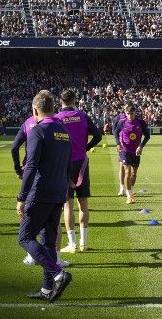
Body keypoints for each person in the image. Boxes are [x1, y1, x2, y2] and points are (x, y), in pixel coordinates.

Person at [17, 90, 73, 303]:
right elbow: (68, 165)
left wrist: (21, 197)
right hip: (59, 192)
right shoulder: (64, 131)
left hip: (41, 192)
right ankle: (47, 289)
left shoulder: (38, 131)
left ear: (35, 110)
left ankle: (58, 273)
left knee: (24, 237)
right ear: (53, 109)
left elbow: (31, 166)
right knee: (48, 241)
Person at [57, 89, 103, 255]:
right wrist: (86, 148)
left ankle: (72, 244)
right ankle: (84, 243)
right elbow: (98, 136)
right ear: (75, 100)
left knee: (67, 204)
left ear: (60, 101)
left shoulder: (57, 118)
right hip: (82, 164)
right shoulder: (82, 115)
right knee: (83, 203)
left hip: (64, 165)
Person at [116, 104, 150, 205]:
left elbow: (147, 136)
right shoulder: (122, 122)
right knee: (127, 171)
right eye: (128, 114)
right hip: (125, 151)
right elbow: (115, 132)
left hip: (136, 152)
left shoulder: (140, 122)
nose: (130, 116)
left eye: (132, 113)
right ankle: (129, 194)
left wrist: (141, 146)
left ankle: (130, 189)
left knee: (134, 173)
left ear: (135, 113)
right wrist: (118, 143)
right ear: (125, 113)